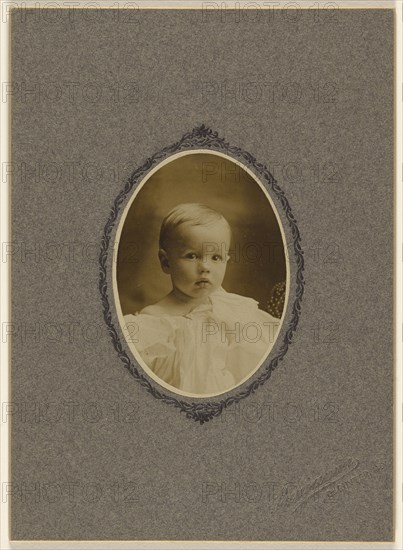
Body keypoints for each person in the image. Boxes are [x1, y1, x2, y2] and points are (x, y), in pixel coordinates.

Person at [124, 203, 280, 396]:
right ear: (166, 262)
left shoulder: (230, 312)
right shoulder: (151, 322)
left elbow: (254, 361)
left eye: (216, 258)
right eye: (192, 256)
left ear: (226, 261)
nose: (205, 267)